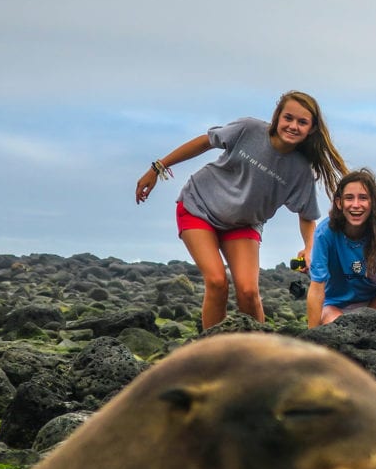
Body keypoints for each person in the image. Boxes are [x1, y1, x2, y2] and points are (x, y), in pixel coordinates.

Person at [135, 90, 346, 329]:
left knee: (247, 291)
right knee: (216, 281)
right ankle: (213, 353)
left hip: (244, 223)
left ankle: (258, 353)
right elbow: (205, 141)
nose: (293, 126)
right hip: (199, 206)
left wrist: (309, 248)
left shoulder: (301, 170)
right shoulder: (249, 129)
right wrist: (157, 167)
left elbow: (306, 215)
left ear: (312, 129)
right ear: (277, 117)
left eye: (302, 122)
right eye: (288, 118)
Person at [306, 168, 376, 341]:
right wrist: (312, 338)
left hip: (374, 305)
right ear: (339, 203)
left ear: (372, 202)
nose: (356, 205)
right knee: (339, 331)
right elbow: (316, 288)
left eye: (363, 198)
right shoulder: (325, 233)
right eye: (349, 198)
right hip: (336, 306)